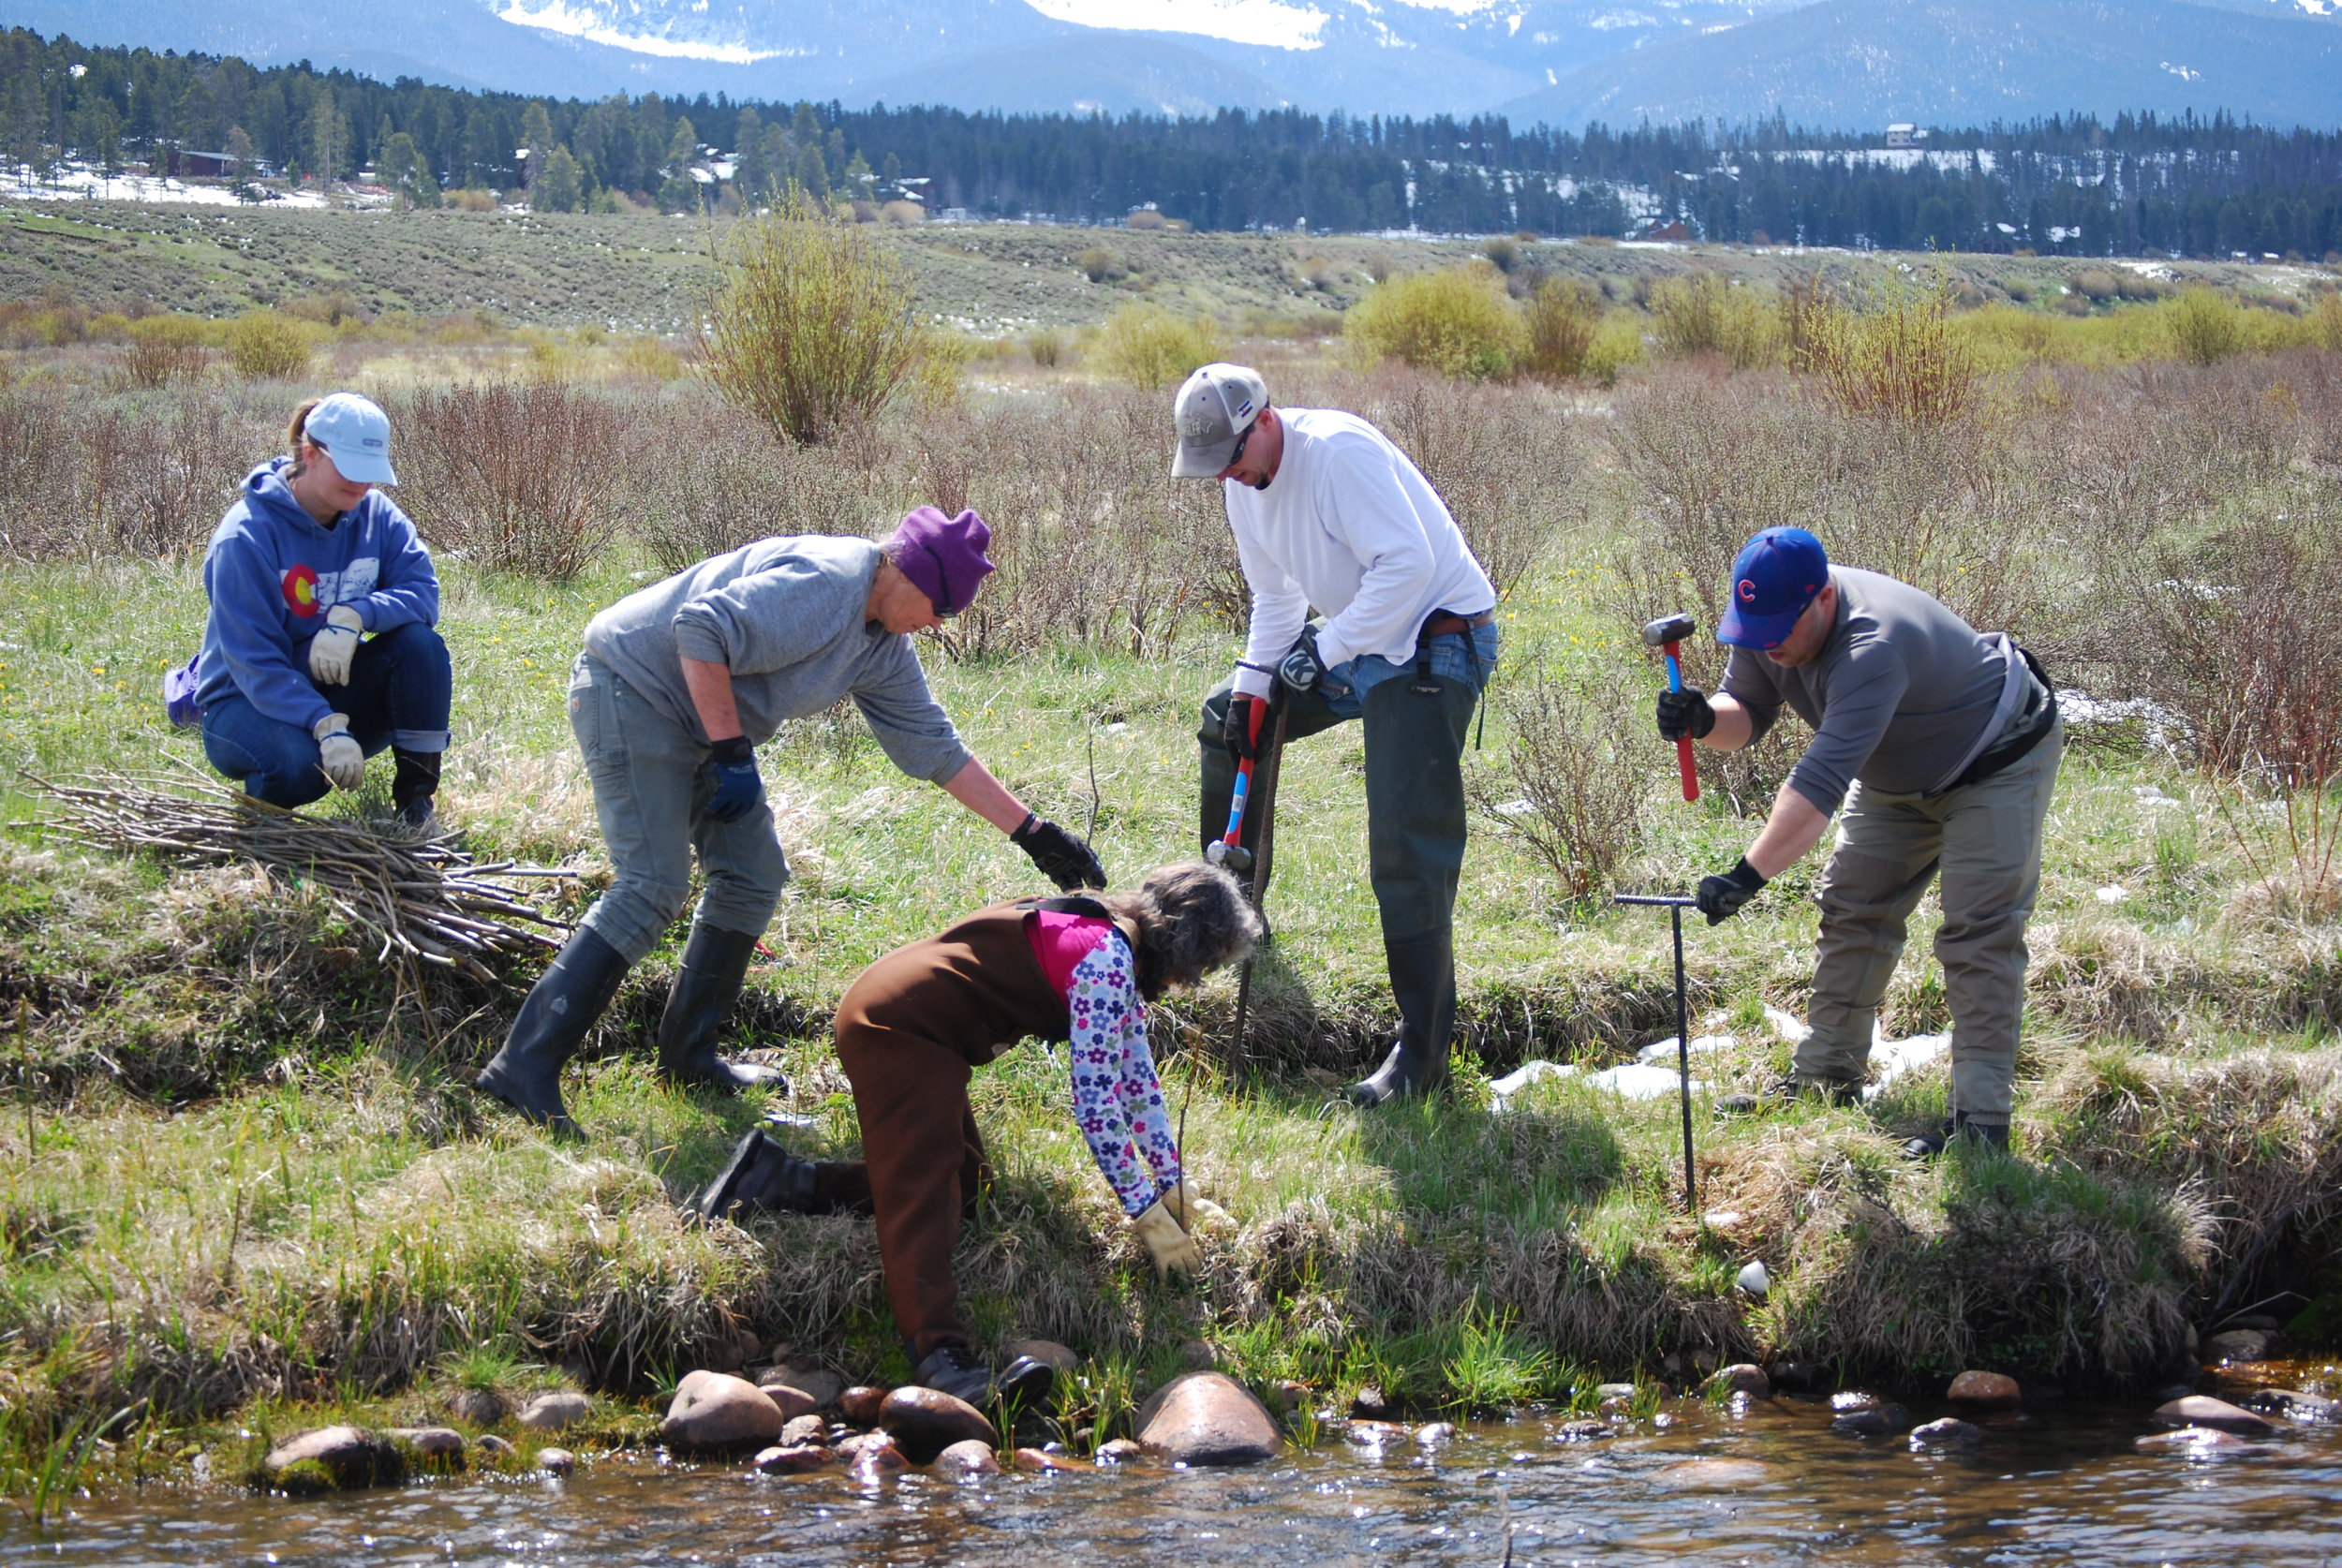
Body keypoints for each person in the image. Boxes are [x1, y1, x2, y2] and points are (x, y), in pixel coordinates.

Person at [475, 507, 1107, 1135]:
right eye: (941, 610)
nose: (937, 626)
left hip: (706, 726)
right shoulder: (830, 583)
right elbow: (699, 628)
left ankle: (688, 1060)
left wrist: (1034, 833)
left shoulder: (881, 645)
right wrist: (730, 753)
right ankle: (522, 1067)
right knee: (652, 885)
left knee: (753, 875)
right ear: (912, 577)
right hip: (632, 689)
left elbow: (933, 748)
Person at [697, 861, 1260, 1404]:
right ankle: (941, 1358)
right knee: (927, 1191)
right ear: (1186, 951)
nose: (1188, 984)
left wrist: (1174, 1185)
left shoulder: (1109, 930)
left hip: (915, 1024)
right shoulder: (1106, 962)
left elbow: (1137, 1082)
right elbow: (1096, 1108)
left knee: (969, 1186)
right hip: (896, 1030)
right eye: (1201, 970)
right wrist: (1145, 1215)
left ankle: (775, 1179)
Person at [1656, 526, 2063, 1157]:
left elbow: (1816, 786)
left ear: (1822, 599)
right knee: (1853, 907)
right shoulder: (1769, 617)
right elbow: (1748, 709)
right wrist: (1706, 719)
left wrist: (1746, 876)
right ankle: (1825, 1079)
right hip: (1897, 771)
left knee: (1978, 932)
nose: (1768, 646)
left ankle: (1981, 1126)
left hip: (1995, 756)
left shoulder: (1873, 646)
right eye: (1754, 632)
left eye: (1778, 634)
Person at [1168, 362, 1499, 1107]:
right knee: (1228, 722)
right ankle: (1232, 917)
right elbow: (1274, 597)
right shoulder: (1242, 487)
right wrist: (1258, 685)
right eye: (1215, 466)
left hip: (1433, 639)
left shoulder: (1337, 454)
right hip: (1359, 639)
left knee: (1405, 848)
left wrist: (1325, 652)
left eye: (1235, 458)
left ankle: (1422, 1058)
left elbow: (1408, 567)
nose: (1229, 476)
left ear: (1264, 420)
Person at [193, 393, 450, 831]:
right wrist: (325, 725)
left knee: (419, 646)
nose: (364, 486)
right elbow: (255, 663)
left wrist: (356, 615)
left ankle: (415, 808)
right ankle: (262, 815)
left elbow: (423, 594)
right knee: (300, 768)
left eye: (372, 474)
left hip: (334, 686)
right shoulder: (246, 537)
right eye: (352, 471)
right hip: (246, 702)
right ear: (311, 454)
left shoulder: (376, 515)